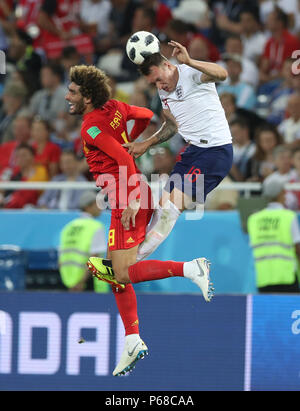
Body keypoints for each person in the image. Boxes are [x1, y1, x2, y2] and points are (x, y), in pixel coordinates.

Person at [65, 64, 214, 377]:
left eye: (73, 92)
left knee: (121, 272)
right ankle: (132, 338)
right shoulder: (115, 107)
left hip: (125, 198)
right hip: (130, 192)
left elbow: (120, 158)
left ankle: (189, 268)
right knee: (113, 272)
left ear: (88, 97)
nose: (68, 96)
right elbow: (146, 115)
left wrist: (131, 195)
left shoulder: (90, 125)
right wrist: (127, 140)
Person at [248, 178, 300, 293]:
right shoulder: (289, 216)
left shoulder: (253, 219)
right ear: (281, 193)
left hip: (263, 278)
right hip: (286, 277)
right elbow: (298, 249)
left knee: (269, 311)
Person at [59, 191, 108, 293]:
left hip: (67, 282)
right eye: (97, 204)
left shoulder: (68, 227)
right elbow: (95, 258)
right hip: (87, 283)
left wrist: (70, 282)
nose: (101, 207)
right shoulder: (95, 227)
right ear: (88, 207)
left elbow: (61, 259)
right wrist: (81, 282)